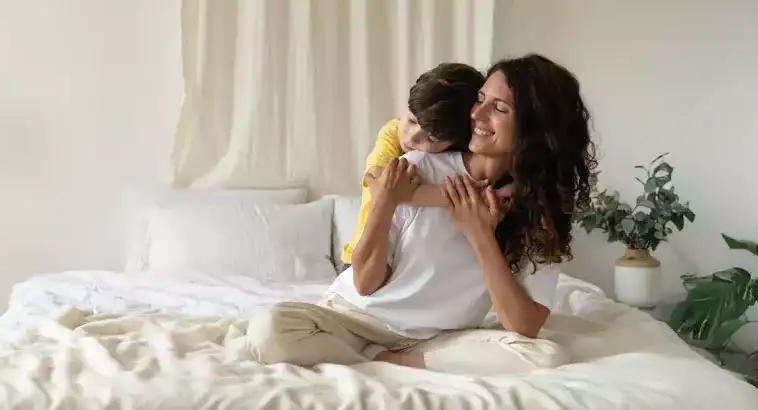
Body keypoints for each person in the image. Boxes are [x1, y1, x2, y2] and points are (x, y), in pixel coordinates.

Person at [247, 54, 598, 376]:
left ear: (534, 128)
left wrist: (479, 235)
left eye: (499, 108)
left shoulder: (537, 209)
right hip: (354, 318)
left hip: (436, 338)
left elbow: (524, 326)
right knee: (270, 329)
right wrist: (384, 202)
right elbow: (365, 283)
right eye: (480, 99)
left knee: (546, 356)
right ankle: (377, 357)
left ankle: (386, 361)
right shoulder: (419, 168)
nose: (476, 114)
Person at [339, 62, 486, 266]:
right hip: (362, 256)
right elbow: (378, 182)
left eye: (432, 139)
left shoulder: (459, 156)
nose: (412, 138)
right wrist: (460, 194)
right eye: (411, 120)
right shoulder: (392, 131)